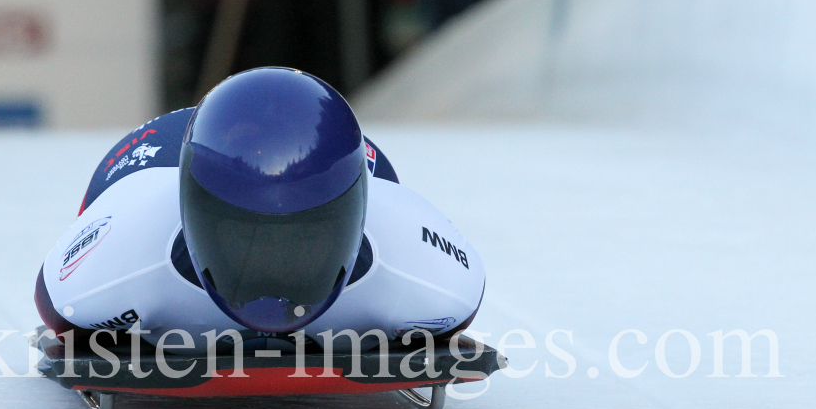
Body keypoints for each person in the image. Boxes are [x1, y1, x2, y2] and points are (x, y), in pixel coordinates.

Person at [34, 67, 484, 356]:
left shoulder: (425, 266)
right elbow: (60, 305)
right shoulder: (125, 237)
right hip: (156, 154)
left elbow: (61, 314)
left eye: (306, 232)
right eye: (240, 230)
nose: (275, 267)